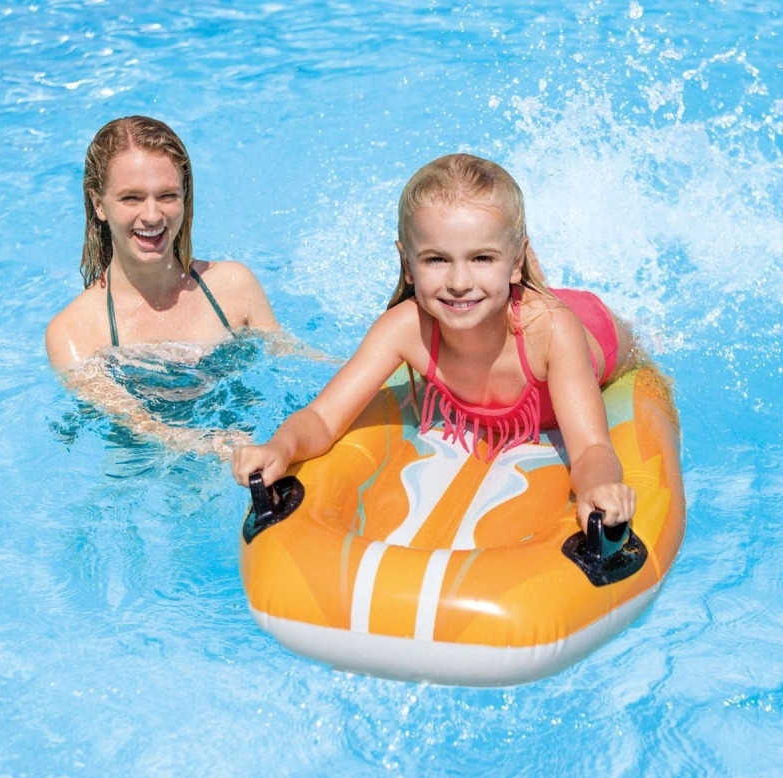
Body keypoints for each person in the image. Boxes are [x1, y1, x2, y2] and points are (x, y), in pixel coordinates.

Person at [232, 154, 639, 527]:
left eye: (481, 257)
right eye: (436, 259)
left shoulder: (553, 331)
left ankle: (535, 280)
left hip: (587, 330)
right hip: (503, 302)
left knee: (621, 341)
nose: (458, 282)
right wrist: (281, 447)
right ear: (408, 264)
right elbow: (323, 419)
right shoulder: (404, 328)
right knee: (490, 292)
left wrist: (596, 486)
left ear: (516, 262)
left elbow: (590, 448)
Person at [46, 115, 280, 455]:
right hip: (149, 473)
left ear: (185, 197)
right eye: (131, 198)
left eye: (167, 195)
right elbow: (142, 426)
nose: (153, 215)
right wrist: (214, 446)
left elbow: (292, 362)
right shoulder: (75, 332)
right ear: (99, 204)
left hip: (250, 448)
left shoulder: (232, 287)